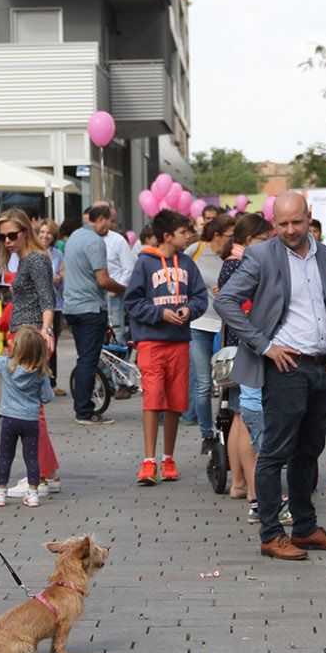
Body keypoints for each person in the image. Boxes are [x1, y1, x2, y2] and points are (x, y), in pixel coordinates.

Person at [216, 192, 326, 561]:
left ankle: (305, 528)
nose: (290, 230)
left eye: (297, 222)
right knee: (275, 452)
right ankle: (271, 534)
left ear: (309, 218)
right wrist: (266, 346)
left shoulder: (324, 255)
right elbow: (225, 301)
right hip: (285, 367)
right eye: (282, 224)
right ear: (273, 223)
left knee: (310, 451)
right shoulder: (261, 255)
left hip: (322, 365)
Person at [124, 209, 207, 485]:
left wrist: (188, 309)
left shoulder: (187, 263)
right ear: (168, 235)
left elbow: (199, 297)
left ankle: (168, 457)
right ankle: (149, 460)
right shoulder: (145, 264)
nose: (188, 236)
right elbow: (132, 301)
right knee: (153, 399)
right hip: (151, 341)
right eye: (183, 232)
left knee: (175, 402)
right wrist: (159, 314)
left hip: (179, 342)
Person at [219, 213, 282, 523]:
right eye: (262, 239)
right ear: (247, 241)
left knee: (241, 415)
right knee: (248, 415)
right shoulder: (242, 265)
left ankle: (241, 483)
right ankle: (256, 490)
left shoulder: (233, 263)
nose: (268, 244)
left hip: (242, 346)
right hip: (251, 347)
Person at [0, 208, 61, 494]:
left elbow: (48, 300)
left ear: (25, 231)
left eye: (12, 234)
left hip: (31, 336)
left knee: (31, 410)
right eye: (2, 236)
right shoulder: (24, 259)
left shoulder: (34, 259)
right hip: (25, 334)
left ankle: (43, 476)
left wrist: (45, 332)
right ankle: (49, 473)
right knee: (33, 408)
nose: (7, 240)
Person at [0, 325, 53, 508]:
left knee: (5, 456)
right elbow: (47, 397)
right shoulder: (40, 373)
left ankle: (1, 493)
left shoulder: (6, 366)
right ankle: (33, 494)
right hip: (30, 421)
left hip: (10, 419)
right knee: (32, 458)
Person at [63, 204, 124, 426]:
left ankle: (83, 406)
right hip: (90, 308)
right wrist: (125, 289)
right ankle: (85, 411)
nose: (113, 226)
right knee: (88, 360)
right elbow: (103, 280)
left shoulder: (74, 237)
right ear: (100, 219)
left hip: (72, 308)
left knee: (84, 359)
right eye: (112, 221)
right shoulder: (95, 241)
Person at [184, 213, 234, 452]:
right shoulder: (196, 249)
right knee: (203, 383)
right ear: (216, 235)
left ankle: (229, 429)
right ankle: (207, 434)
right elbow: (179, 274)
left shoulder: (233, 255)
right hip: (199, 324)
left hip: (225, 326)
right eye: (229, 236)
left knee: (227, 383)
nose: (233, 240)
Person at [35, 218, 66, 396]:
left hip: (55, 305)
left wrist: (59, 279)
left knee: (51, 345)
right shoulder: (32, 252)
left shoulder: (57, 254)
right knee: (36, 344)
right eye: (42, 232)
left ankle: (52, 383)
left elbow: (62, 276)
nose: (45, 236)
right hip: (37, 305)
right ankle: (37, 382)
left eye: (49, 233)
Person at [102, 203, 135, 341]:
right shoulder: (88, 239)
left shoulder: (118, 241)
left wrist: (117, 287)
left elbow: (129, 268)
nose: (113, 223)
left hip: (112, 295)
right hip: (92, 295)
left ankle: (120, 360)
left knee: (117, 334)